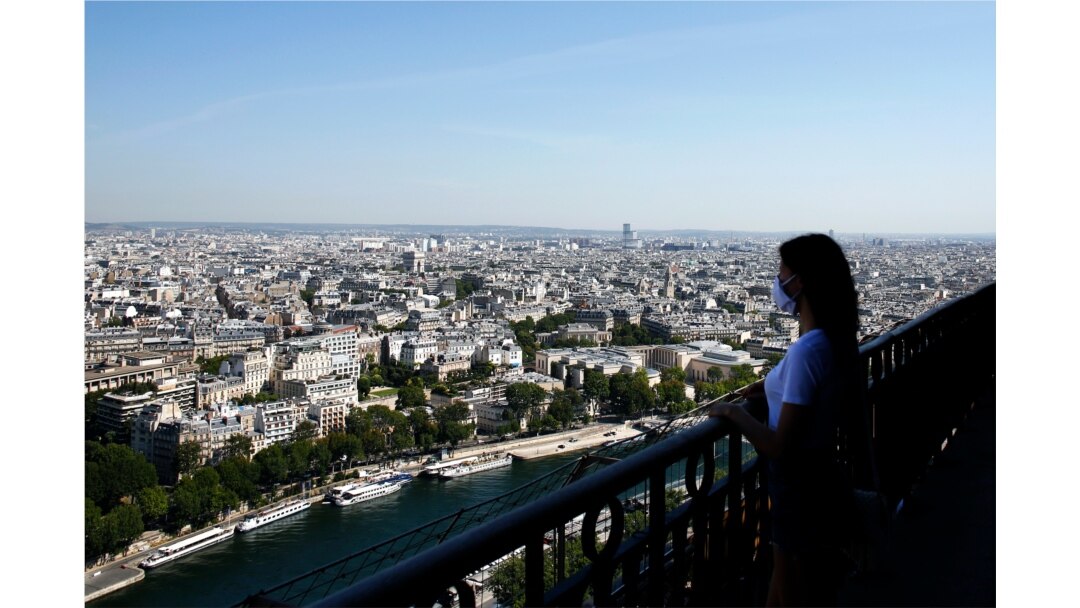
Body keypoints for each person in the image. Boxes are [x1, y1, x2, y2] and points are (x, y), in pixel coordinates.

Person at [710, 233, 859, 607]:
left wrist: (731, 412)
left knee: (790, 581)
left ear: (801, 281)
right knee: (792, 581)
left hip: (796, 482)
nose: (776, 281)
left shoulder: (809, 348)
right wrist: (770, 387)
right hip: (820, 471)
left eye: (781, 272)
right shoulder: (834, 338)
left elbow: (779, 444)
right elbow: (807, 393)